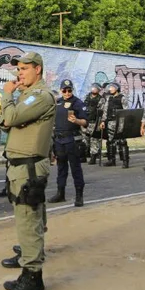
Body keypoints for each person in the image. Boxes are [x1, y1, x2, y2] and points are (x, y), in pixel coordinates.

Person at [0, 52, 56, 290]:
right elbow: (4, 122)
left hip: (29, 169)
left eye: (24, 69)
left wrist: (7, 94)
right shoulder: (27, 95)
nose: (19, 74)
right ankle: (34, 276)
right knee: (26, 221)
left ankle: (30, 280)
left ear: (38, 70)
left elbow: (9, 118)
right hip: (21, 167)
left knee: (28, 224)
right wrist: (13, 99)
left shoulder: (40, 96)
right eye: (18, 70)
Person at [50, 79, 87, 207]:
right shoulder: (58, 102)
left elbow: (85, 122)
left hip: (72, 140)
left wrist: (76, 120)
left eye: (69, 90)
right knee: (61, 168)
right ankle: (60, 193)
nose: (67, 93)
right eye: (64, 90)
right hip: (59, 140)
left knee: (75, 168)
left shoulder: (77, 103)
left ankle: (79, 196)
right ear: (61, 90)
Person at [101, 82, 127, 167]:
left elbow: (126, 111)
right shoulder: (109, 99)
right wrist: (103, 121)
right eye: (110, 87)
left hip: (120, 123)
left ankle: (125, 161)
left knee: (122, 141)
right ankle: (111, 160)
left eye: (112, 87)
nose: (110, 89)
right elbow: (105, 110)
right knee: (110, 141)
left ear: (116, 88)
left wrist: (124, 123)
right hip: (110, 122)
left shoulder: (122, 98)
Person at [84, 83, 104, 165]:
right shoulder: (87, 96)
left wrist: (100, 122)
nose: (94, 89)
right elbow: (83, 107)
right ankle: (85, 154)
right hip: (86, 121)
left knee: (94, 139)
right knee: (85, 139)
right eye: (93, 88)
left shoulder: (101, 99)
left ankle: (93, 157)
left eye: (96, 88)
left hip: (95, 121)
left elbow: (102, 111)